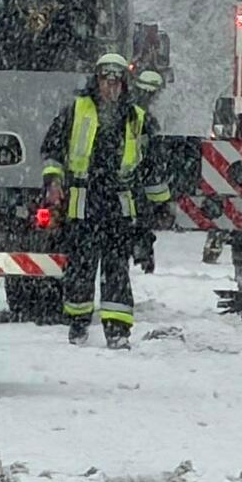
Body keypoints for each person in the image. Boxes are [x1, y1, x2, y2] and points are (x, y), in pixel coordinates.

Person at [41, 53, 169, 347]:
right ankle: (77, 323)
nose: (110, 86)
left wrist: (160, 205)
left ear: (124, 84)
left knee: (116, 269)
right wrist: (53, 183)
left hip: (119, 204)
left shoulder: (137, 118)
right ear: (96, 81)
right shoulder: (76, 111)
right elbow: (52, 152)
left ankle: (117, 330)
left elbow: (151, 167)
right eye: (105, 79)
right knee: (81, 267)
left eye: (116, 81)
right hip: (83, 201)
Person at [131, 70, 169, 274]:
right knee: (140, 222)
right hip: (135, 184)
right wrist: (161, 202)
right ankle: (142, 250)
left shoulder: (126, 112)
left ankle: (141, 249)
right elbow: (152, 163)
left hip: (122, 185)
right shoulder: (145, 121)